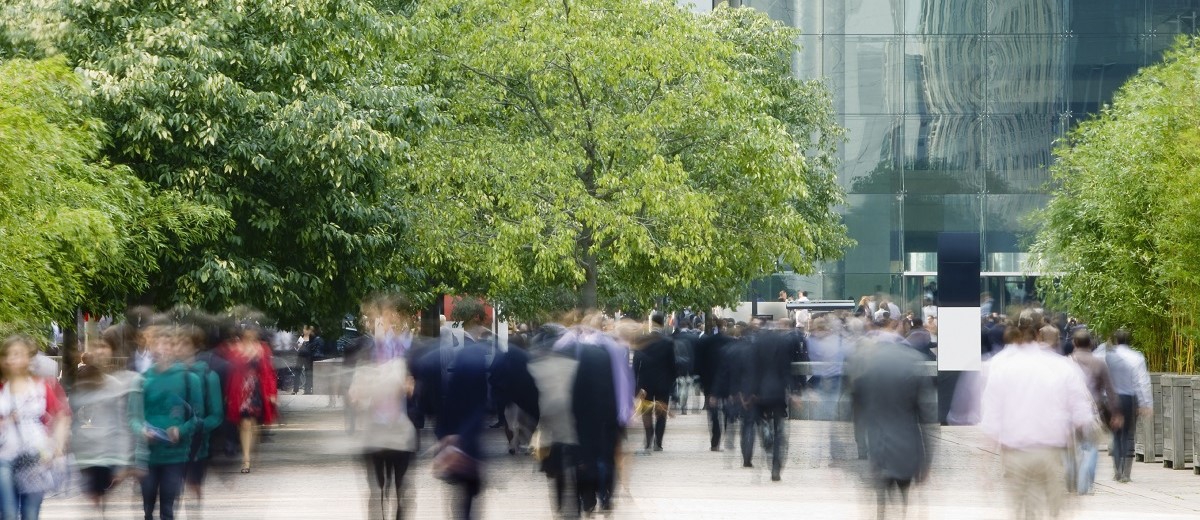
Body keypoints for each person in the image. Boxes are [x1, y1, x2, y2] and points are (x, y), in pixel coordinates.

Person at [980, 310, 1096, 519]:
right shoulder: (1061, 366)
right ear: (1039, 334)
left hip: (1015, 454)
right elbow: (1082, 415)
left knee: (1023, 511)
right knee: (1053, 511)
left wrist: (985, 467)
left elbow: (991, 419)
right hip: (1052, 453)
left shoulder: (1001, 366)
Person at [348, 297, 418, 520]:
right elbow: (355, 389)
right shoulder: (366, 348)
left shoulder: (408, 348)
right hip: (376, 429)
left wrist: (412, 387)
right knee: (377, 489)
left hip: (400, 428)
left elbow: (421, 383)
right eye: (377, 317)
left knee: (401, 489)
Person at [851, 335, 935, 518]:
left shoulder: (868, 370)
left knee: (882, 498)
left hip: (879, 444)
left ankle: (882, 513)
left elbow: (859, 411)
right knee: (903, 496)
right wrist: (927, 460)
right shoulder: (913, 366)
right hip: (907, 446)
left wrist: (861, 447)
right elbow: (926, 417)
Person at [134, 325, 204, 520]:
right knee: (148, 507)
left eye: (167, 344)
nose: (162, 348)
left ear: (174, 349)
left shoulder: (189, 379)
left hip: (175, 455)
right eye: (157, 344)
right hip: (148, 455)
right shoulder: (142, 380)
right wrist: (142, 430)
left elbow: (197, 417)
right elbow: (133, 416)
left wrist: (180, 430)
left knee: (167, 507)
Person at [0, 335, 71, 520]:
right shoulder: (1, 389)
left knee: (30, 514)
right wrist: (6, 420)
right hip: (4, 457)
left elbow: (61, 416)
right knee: (7, 513)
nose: (11, 359)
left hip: (35, 458)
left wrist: (58, 447)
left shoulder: (42, 387)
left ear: (27, 358)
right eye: (7, 355)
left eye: (17, 354)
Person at [70, 337, 140, 515]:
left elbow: (122, 422)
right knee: (94, 499)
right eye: (96, 347)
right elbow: (75, 416)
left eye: (104, 347)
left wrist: (123, 459)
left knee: (101, 500)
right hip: (86, 454)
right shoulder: (81, 381)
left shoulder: (116, 384)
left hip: (107, 453)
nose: (99, 351)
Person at [1067, 329, 1121, 494]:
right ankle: (1086, 483)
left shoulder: (1066, 363)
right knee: (1090, 448)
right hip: (1093, 412)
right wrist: (1116, 413)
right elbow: (1110, 390)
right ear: (1090, 344)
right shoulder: (1099, 363)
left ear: (1074, 343)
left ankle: (1072, 481)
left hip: (1069, 413)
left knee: (1072, 449)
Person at [220, 320, 278, 474]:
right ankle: (246, 457)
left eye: (252, 333)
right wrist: (228, 393)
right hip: (240, 390)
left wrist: (272, 393)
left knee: (251, 423)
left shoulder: (263, 348)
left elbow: (269, 372)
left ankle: (248, 454)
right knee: (244, 423)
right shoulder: (236, 348)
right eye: (247, 332)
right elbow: (230, 371)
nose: (250, 335)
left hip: (257, 389)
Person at [176, 324, 224, 510]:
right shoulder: (165, 374)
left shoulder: (208, 376)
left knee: (192, 488)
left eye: (184, 343)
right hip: (168, 446)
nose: (178, 348)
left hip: (197, 445)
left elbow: (216, 414)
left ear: (195, 347)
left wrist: (198, 428)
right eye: (176, 343)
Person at [1105, 328, 1153, 483]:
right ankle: (1126, 473)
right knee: (1127, 434)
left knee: (1116, 434)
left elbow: (1105, 381)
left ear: (1116, 341)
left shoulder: (1109, 357)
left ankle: (1116, 470)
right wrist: (1146, 403)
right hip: (1129, 399)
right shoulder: (1136, 357)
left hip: (1112, 399)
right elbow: (1142, 382)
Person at [633, 313, 676, 452]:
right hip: (663, 383)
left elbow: (635, 364)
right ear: (663, 324)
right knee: (661, 413)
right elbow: (673, 365)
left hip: (645, 384)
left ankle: (648, 439)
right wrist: (672, 383)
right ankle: (659, 442)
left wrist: (636, 386)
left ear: (652, 323)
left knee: (646, 412)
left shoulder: (642, 340)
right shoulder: (668, 342)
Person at [294, 325, 324, 395]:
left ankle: (307, 390)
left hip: (308, 357)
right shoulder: (301, 337)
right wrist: (299, 345)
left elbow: (313, 349)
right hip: (300, 357)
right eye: (304, 329)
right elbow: (296, 348)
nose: (304, 330)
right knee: (297, 372)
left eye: (306, 329)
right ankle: (295, 389)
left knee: (308, 373)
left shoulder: (313, 338)